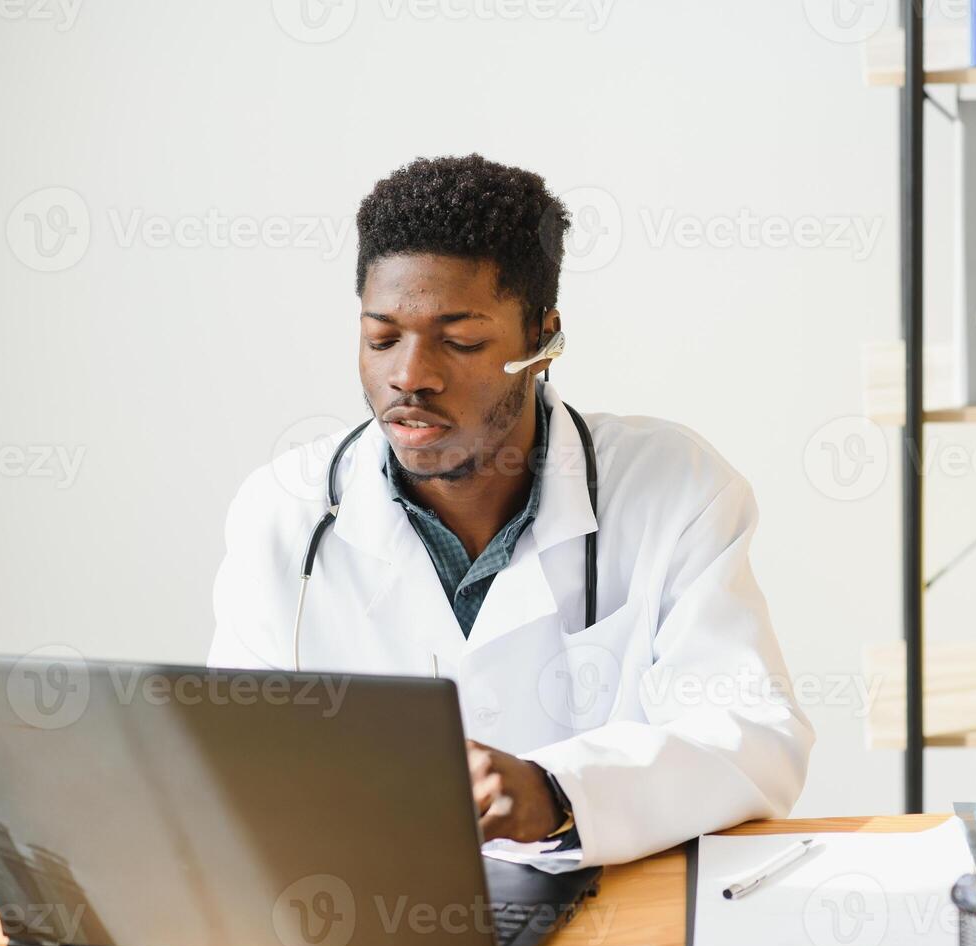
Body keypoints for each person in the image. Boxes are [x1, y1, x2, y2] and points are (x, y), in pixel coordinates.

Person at [208, 154, 813, 867]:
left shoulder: (674, 487)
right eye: (382, 337)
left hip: (602, 910)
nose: (409, 376)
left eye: (460, 341)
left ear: (542, 340)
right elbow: (234, 769)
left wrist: (554, 793)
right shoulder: (283, 511)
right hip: (364, 912)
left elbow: (753, 736)